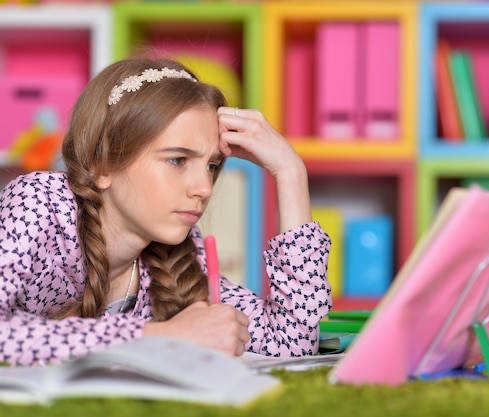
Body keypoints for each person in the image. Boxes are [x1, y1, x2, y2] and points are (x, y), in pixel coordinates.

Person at [0, 57, 332, 366]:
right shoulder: (39, 204)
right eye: (177, 160)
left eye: (212, 166)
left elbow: (292, 343)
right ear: (101, 165)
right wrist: (160, 336)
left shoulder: (181, 252)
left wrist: (290, 173)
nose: (203, 187)